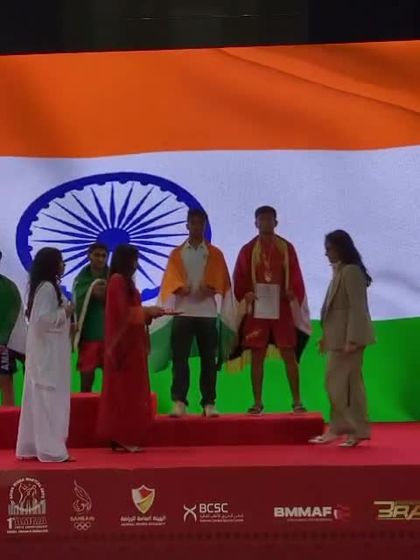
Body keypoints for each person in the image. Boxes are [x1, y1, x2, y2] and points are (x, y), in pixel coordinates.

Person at [232, 206, 310, 414]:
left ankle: (297, 401)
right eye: (262, 219)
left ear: (276, 222)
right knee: (257, 355)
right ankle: (257, 403)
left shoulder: (286, 248)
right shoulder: (248, 250)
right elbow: (239, 278)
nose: (265, 222)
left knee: (289, 354)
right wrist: (246, 293)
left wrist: (292, 292)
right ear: (255, 223)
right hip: (258, 310)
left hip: (281, 309)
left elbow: (295, 276)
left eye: (269, 219)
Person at [159, 208, 232, 418]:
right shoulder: (177, 253)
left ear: (205, 226)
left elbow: (223, 281)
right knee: (180, 359)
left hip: (207, 313)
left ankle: (208, 403)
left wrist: (214, 287)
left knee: (209, 360)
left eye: (201, 223)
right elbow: (169, 281)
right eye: (193, 223)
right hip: (182, 313)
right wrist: (178, 288)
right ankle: (179, 401)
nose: (197, 227)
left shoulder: (215, 253)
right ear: (187, 225)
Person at [97, 244, 165, 452]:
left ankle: (125, 437)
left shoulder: (125, 283)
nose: (137, 264)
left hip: (133, 344)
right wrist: (147, 311)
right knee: (125, 393)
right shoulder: (117, 281)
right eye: (135, 260)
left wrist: (148, 315)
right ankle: (123, 437)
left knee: (132, 393)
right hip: (123, 348)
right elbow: (123, 314)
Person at [310, 230, 375, 447]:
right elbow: (335, 310)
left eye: (329, 249)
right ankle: (350, 430)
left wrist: (352, 339)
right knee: (345, 386)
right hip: (339, 340)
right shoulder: (340, 271)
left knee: (340, 386)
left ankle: (347, 429)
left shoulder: (351, 272)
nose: (326, 253)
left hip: (349, 341)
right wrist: (326, 337)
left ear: (340, 248)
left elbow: (357, 308)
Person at [16, 248, 74, 462]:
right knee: (49, 403)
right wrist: (65, 312)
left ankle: (34, 446)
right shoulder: (48, 289)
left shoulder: (44, 287)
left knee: (42, 403)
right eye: (60, 261)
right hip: (48, 358)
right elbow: (41, 321)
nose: (63, 265)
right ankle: (51, 450)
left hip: (47, 355)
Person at [73, 242, 108, 392]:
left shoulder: (113, 275)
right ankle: (84, 406)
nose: (100, 259)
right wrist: (95, 289)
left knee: (112, 380)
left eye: (104, 256)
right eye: (97, 255)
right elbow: (96, 294)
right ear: (89, 256)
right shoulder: (81, 278)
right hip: (88, 335)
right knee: (86, 380)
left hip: (110, 336)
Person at [0, 250, 26, 406]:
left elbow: (15, 315)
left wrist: (3, 340)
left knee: (5, 384)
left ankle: (8, 418)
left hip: (3, 345)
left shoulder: (9, 287)